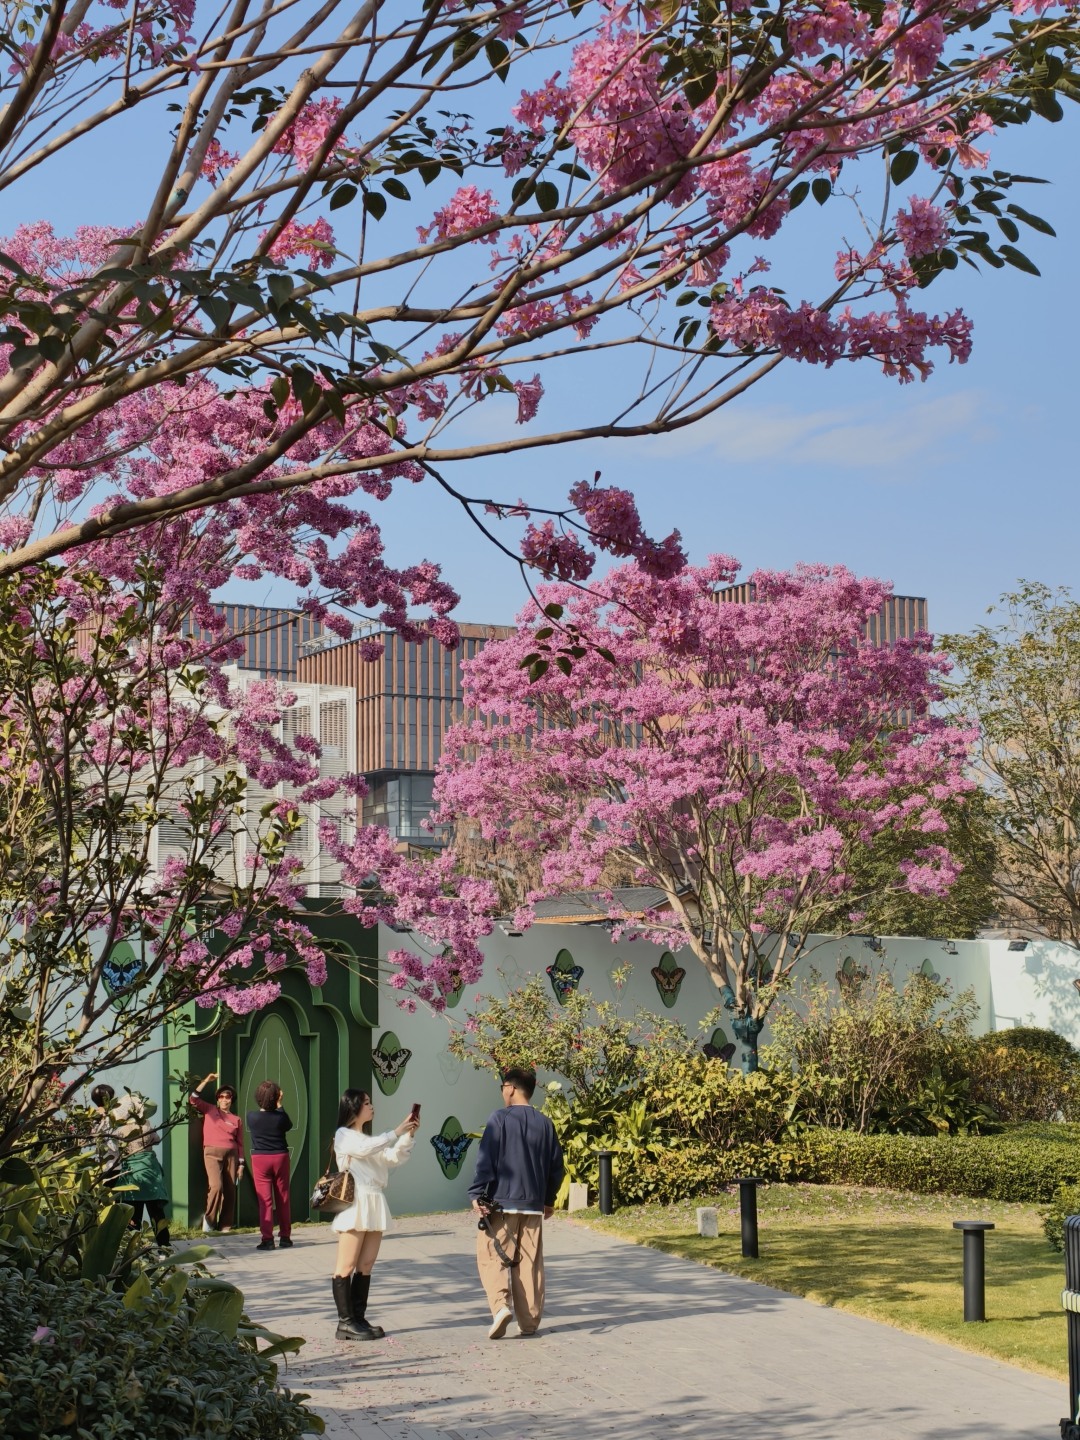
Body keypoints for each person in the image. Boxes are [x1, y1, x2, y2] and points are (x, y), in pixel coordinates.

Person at [468, 1066, 564, 1341]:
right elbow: (556, 1167)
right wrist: (548, 1200)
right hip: (533, 1205)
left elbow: (486, 1160)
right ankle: (530, 1321)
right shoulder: (545, 1123)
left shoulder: (499, 1119)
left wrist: (476, 1192)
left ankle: (500, 1308)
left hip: (502, 1203)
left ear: (510, 1087)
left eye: (502, 1088)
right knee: (530, 1263)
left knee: (491, 1255)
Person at [329, 1089, 419, 1342]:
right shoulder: (344, 1135)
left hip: (374, 1199)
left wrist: (407, 1136)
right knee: (345, 1266)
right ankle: (345, 1322)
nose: (371, 1106)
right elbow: (366, 1149)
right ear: (354, 1107)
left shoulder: (369, 1138)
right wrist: (395, 1132)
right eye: (367, 1103)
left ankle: (358, 1317)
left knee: (366, 1264)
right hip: (356, 1201)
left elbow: (391, 1158)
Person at [90, 1084, 171, 1247]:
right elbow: (156, 1139)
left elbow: (103, 1142)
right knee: (156, 1212)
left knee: (133, 1212)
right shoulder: (145, 1124)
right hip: (150, 1171)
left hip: (131, 1173)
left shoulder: (117, 1128)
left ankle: (132, 1247)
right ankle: (164, 1246)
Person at [189, 1072, 244, 1233]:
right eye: (221, 1096)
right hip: (211, 1152)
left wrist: (241, 1164)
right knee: (216, 1186)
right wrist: (206, 1080)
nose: (225, 1099)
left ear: (232, 1099)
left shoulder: (237, 1119)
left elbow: (240, 1143)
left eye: (228, 1097)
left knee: (230, 1189)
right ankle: (209, 1221)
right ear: (217, 1099)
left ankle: (225, 1224)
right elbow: (193, 1099)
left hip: (232, 1154)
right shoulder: (210, 1110)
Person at [247, 1079, 292, 1252]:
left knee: (264, 1201)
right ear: (276, 1098)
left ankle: (267, 1239)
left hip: (260, 1157)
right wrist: (280, 1105)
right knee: (283, 1197)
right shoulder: (281, 1118)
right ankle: (285, 1237)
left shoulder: (251, 1117)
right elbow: (288, 1125)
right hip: (280, 1156)